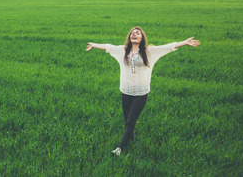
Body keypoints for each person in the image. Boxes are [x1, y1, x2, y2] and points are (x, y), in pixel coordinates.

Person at [86, 26, 200, 156]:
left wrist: (184, 42)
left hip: (141, 93)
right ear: (130, 37)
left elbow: (168, 46)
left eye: (138, 33)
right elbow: (108, 47)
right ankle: (131, 140)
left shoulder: (149, 51)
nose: (134, 34)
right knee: (127, 120)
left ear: (141, 38)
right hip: (125, 91)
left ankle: (120, 148)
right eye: (132, 33)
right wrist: (93, 45)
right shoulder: (123, 51)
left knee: (131, 120)